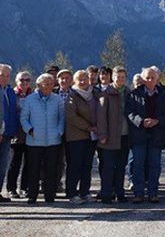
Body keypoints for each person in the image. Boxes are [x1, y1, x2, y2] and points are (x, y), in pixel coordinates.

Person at [126, 67, 165, 203]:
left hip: (157, 135)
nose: (150, 80)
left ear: (157, 78)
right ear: (142, 79)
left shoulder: (164, 94)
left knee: (155, 165)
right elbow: (129, 113)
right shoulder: (134, 94)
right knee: (138, 165)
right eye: (147, 78)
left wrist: (157, 121)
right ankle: (138, 193)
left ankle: (153, 193)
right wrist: (141, 121)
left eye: (153, 77)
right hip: (139, 135)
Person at [20, 73, 65, 204]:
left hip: (53, 140)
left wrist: (59, 132)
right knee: (33, 169)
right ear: (39, 85)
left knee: (51, 169)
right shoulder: (30, 99)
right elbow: (24, 118)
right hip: (34, 141)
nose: (49, 86)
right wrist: (29, 130)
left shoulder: (57, 99)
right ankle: (32, 195)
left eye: (51, 84)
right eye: (46, 84)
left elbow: (62, 117)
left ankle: (49, 195)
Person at [97, 66, 130, 204]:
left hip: (125, 134)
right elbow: (101, 116)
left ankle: (120, 192)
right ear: (113, 77)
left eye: (123, 77)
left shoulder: (129, 92)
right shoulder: (106, 93)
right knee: (108, 166)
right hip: (110, 135)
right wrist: (103, 134)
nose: (120, 79)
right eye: (118, 77)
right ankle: (106, 193)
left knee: (121, 166)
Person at [65, 70, 98, 205]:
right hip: (76, 136)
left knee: (87, 165)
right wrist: (88, 127)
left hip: (91, 136)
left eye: (85, 78)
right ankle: (72, 193)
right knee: (75, 165)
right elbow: (71, 116)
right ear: (75, 81)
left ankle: (85, 191)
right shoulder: (72, 95)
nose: (83, 81)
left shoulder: (94, 93)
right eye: (80, 79)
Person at [7, 71, 32, 198]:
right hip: (16, 134)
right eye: (22, 80)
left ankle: (24, 187)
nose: (24, 82)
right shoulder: (12, 94)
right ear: (16, 81)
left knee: (28, 162)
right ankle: (11, 188)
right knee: (14, 163)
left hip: (30, 135)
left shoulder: (33, 95)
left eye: (27, 80)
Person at [0, 64, 18, 202]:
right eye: (2, 75)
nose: (5, 78)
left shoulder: (10, 92)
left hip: (7, 134)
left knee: (3, 164)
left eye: (7, 75)